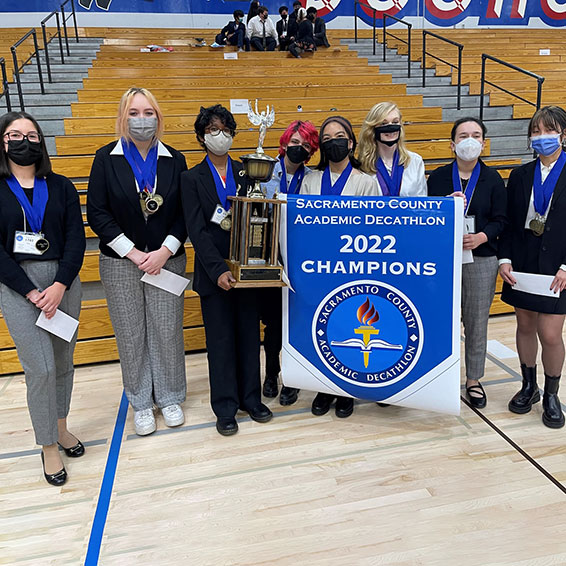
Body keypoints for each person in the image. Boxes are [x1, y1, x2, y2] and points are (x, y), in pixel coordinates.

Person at [87, 87, 188, 437]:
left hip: (166, 260)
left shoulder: (175, 159)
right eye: (134, 113)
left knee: (167, 331)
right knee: (131, 335)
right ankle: (141, 402)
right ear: (122, 117)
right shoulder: (105, 158)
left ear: (158, 118)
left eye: (148, 113)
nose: (141, 120)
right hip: (120, 262)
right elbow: (97, 213)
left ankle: (171, 396)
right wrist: (132, 252)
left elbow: (184, 215)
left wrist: (164, 251)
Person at [0, 111, 85, 486]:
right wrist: (32, 290)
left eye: (32, 135)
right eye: (15, 134)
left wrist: (59, 285)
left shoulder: (62, 185)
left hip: (62, 283)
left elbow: (76, 238)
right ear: (2, 142)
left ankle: (61, 426)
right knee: (42, 369)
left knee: (64, 363)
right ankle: (48, 444)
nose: (25, 141)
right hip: (19, 287)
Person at [181, 104, 273, 436]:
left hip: (246, 271)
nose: (219, 135)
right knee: (220, 342)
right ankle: (225, 406)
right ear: (201, 136)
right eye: (212, 130)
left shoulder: (248, 172)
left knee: (250, 338)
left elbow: (259, 218)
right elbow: (196, 229)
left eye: (225, 129)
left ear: (233, 134)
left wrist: (254, 263)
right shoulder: (190, 178)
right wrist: (218, 269)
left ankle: (252, 398)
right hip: (213, 274)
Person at [302, 116, 380, 418]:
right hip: (318, 267)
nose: (333, 141)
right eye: (327, 137)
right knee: (323, 329)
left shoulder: (366, 182)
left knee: (349, 324)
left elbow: (370, 227)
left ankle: (348, 389)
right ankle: (324, 386)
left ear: (350, 142)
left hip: (352, 268)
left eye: (340, 136)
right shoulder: (310, 180)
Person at [428, 117, 507, 409]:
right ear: (452, 144)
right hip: (443, 260)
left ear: (483, 144)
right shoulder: (437, 177)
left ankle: (474, 379)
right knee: (440, 319)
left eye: (475, 135)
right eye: (463, 135)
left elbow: (502, 220)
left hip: (481, 259)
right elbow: (426, 217)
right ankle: (437, 374)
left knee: (476, 321)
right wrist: (446, 208)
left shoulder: (493, 178)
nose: (469, 140)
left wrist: (482, 236)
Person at [498, 105, 566, 429]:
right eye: (536, 131)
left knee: (550, 333)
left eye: (548, 131)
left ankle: (552, 394)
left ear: (563, 135)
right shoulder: (520, 174)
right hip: (522, 264)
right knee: (524, 326)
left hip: (559, 266)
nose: (541, 137)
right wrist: (504, 258)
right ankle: (529, 387)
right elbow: (510, 223)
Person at [261, 120, 319, 406]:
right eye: (295, 142)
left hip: (301, 257)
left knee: (297, 323)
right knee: (273, 322)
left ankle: (293, 379)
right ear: (284, 143)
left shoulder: (313, 178)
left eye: (306, 145)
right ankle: (271, 373)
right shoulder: (264, 173)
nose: (299, 148)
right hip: (271, 255)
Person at [358, 101, 426, 197]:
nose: (390, 127)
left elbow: (422, 202)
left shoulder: (415, 161)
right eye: (383, 123)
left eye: (395, 122)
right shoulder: (362, 165)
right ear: (372, 129)